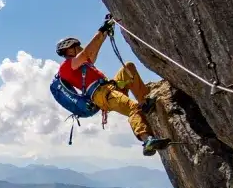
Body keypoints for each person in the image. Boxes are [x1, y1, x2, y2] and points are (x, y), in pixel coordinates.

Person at [56, 17, 173, 156]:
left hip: (109, 88)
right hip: (102, 94)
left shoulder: (82, 64)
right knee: (132, 108)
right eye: (77, 46)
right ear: (70, 50)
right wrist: (101, 30)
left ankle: (144, 102)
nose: (80, 48)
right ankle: (147, 140)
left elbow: (92, 53)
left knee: (128, 69)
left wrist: (105, 31)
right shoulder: (66, 67)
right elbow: (87, 53)